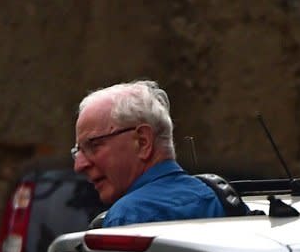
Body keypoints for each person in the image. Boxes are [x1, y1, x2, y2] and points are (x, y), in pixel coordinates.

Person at [72, 80, 226, 227]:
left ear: (143, 141)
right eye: (78, 152)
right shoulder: (216, 199)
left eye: (94, 145)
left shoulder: (130, 216)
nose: (79, 165)